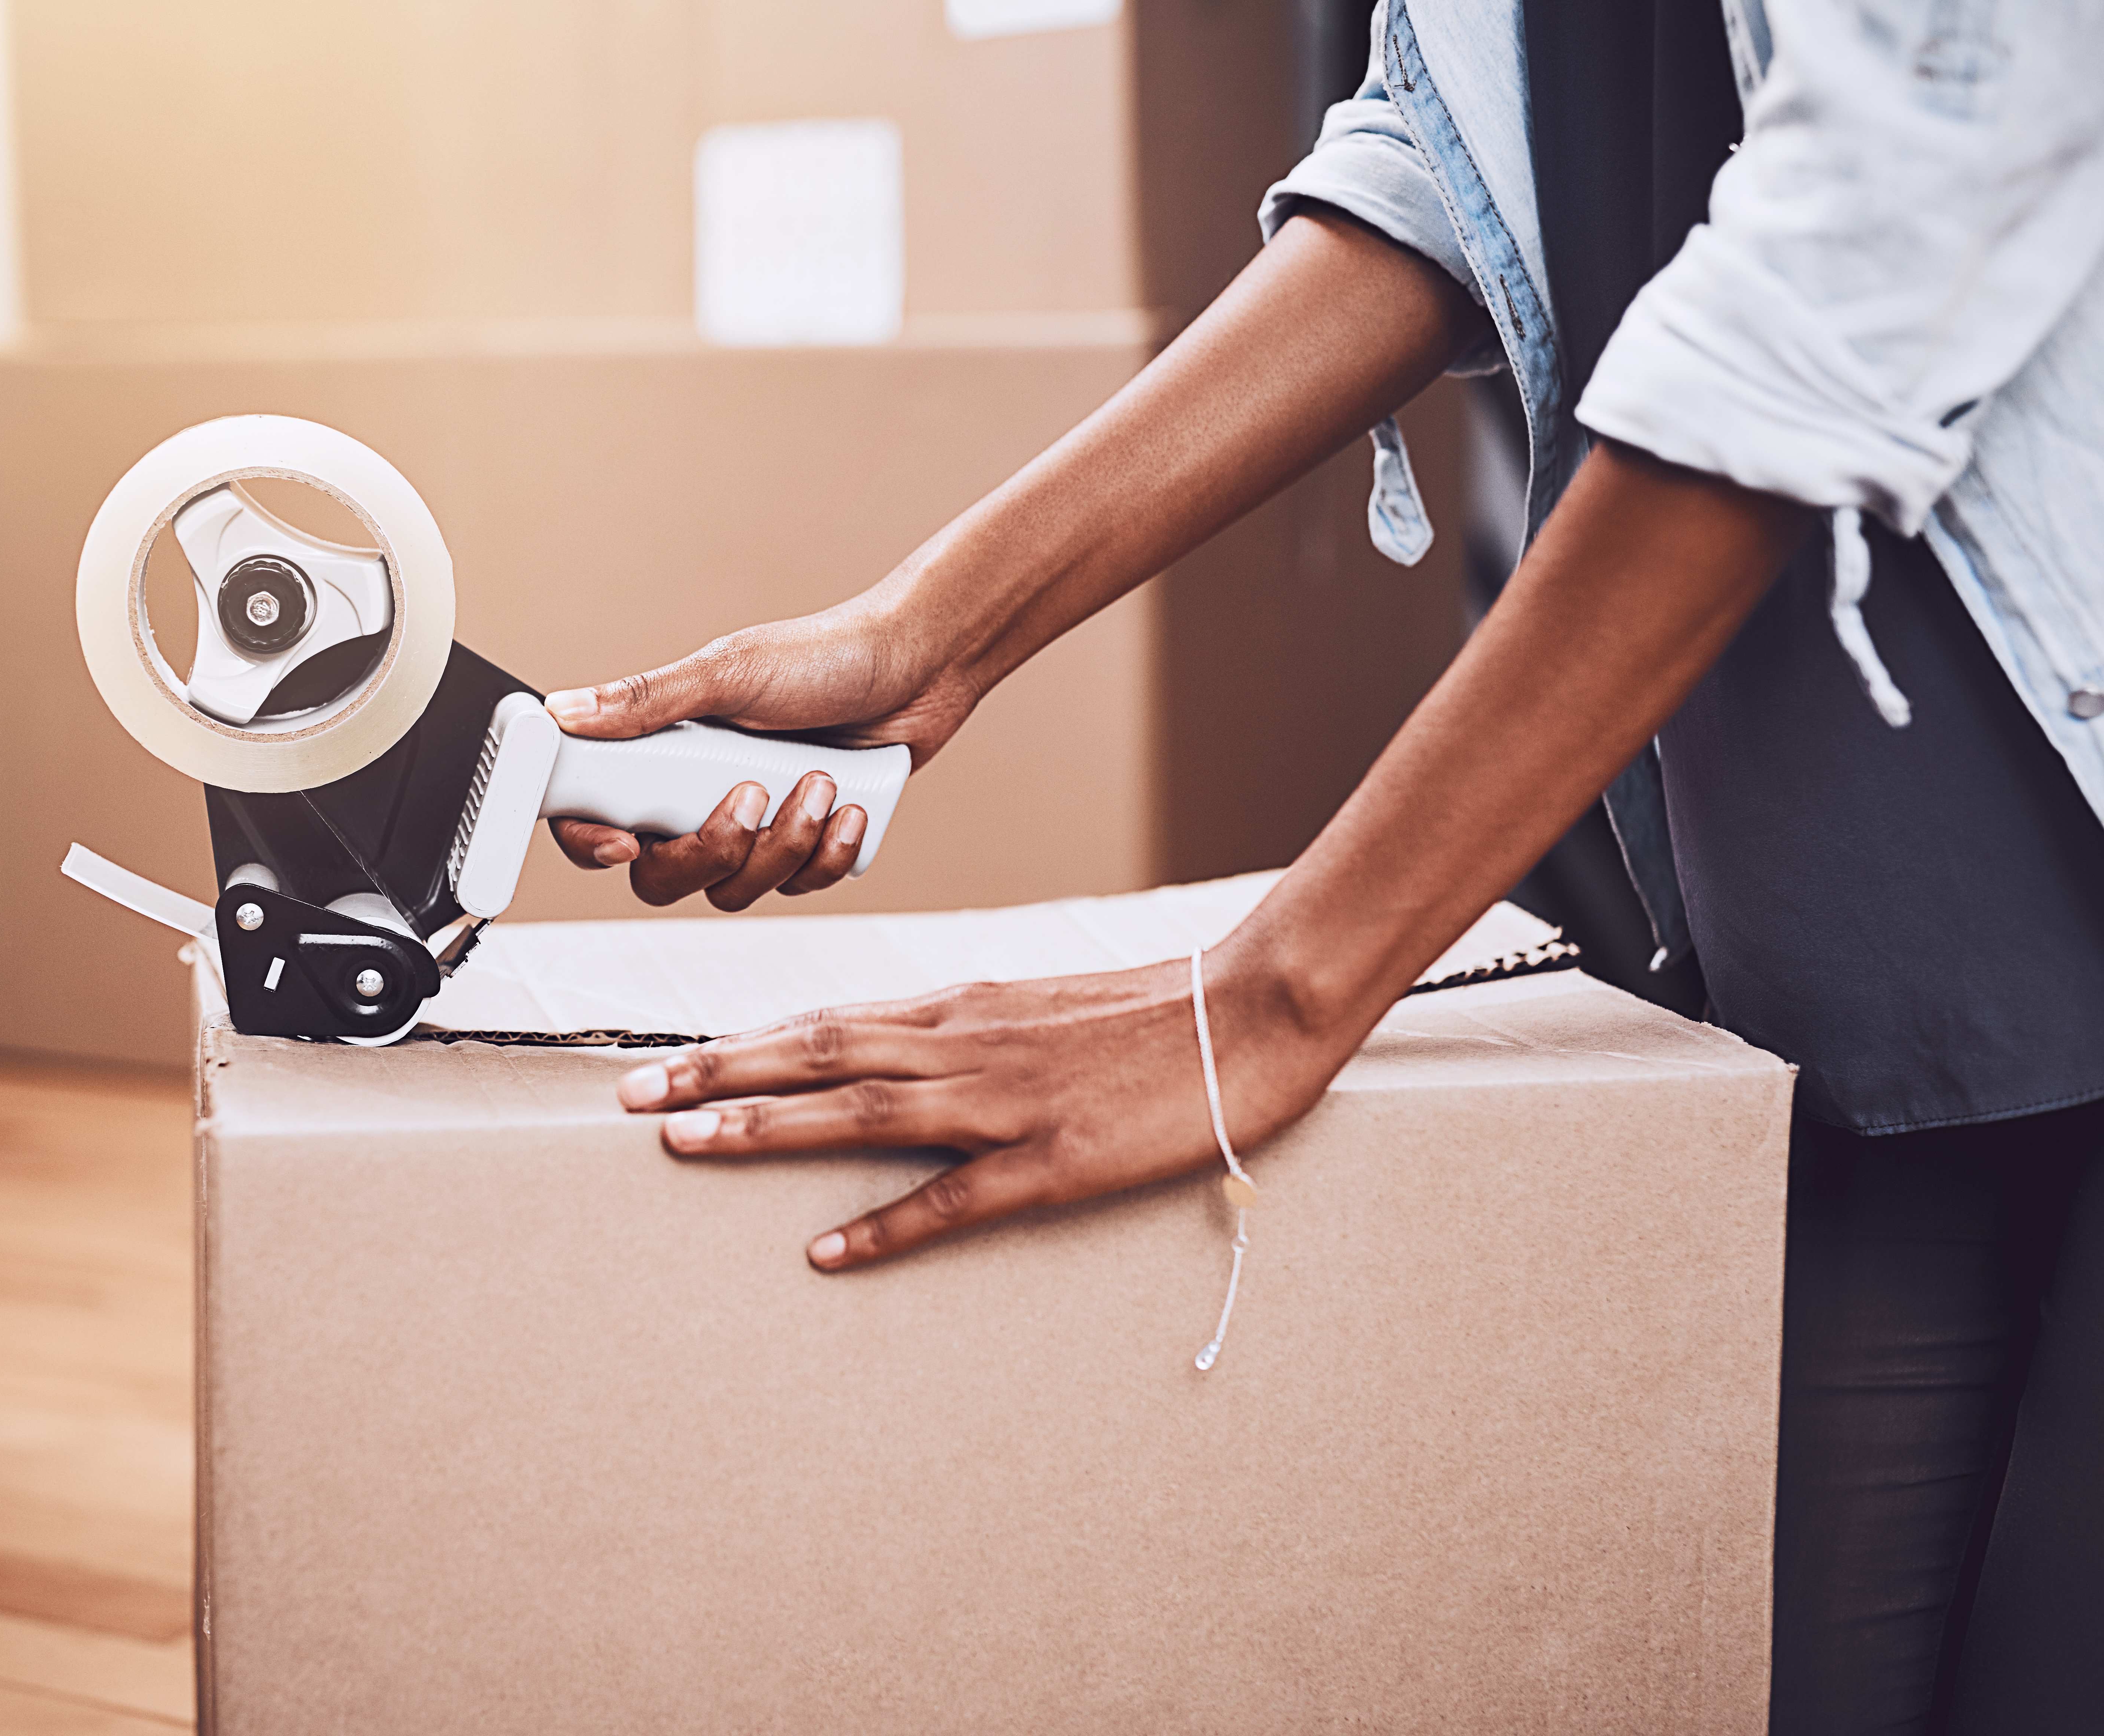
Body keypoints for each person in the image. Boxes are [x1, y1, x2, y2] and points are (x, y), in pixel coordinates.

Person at [534, 1, 2104, 1730]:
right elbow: (1446, 162)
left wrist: (1280, 992)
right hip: (1857, 968)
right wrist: (934, 633)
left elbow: (1889, 210)